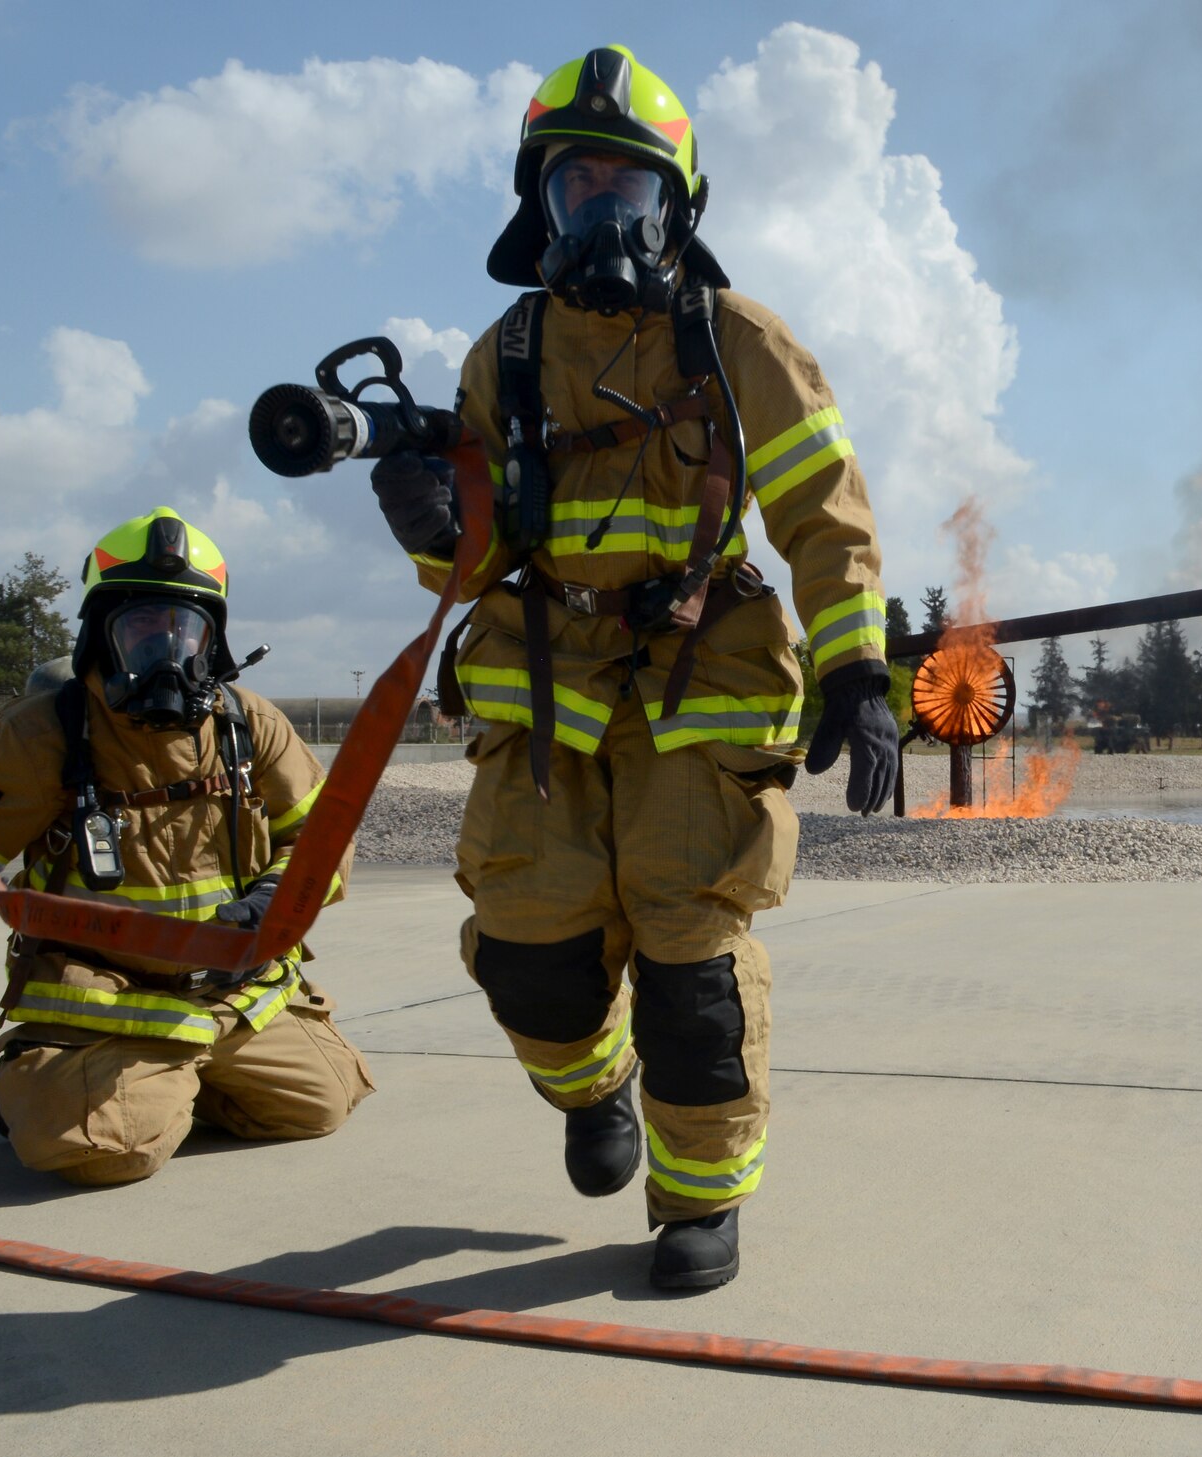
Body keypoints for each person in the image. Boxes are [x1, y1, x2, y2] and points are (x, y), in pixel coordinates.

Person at [369, 44, 896, 1289]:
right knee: (530, 959)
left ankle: (697, 1199)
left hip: (695, 683)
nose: (602, 205)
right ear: (537, 205)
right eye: (576, 184)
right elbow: (481, 559)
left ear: (677, 204)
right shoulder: (502, 354)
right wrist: (432, 527)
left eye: (628, 184)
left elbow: (824, 513)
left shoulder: (737, 339)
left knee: (689, 969)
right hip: (543, 693)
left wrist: (858, 672)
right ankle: (588, 1086)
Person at [0, 506, 372, 1185]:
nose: (165, 650)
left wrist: (276, 898)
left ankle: (166, 1081)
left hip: (230, 991)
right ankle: (40, 1084)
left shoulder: (249, 725)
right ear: (100, 636)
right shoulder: (47, 733)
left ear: (211, 637)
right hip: (106, 999)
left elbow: (322, 833)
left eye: (182, 629)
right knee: (100, 1151)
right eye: (141, 629)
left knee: (320, 1100)